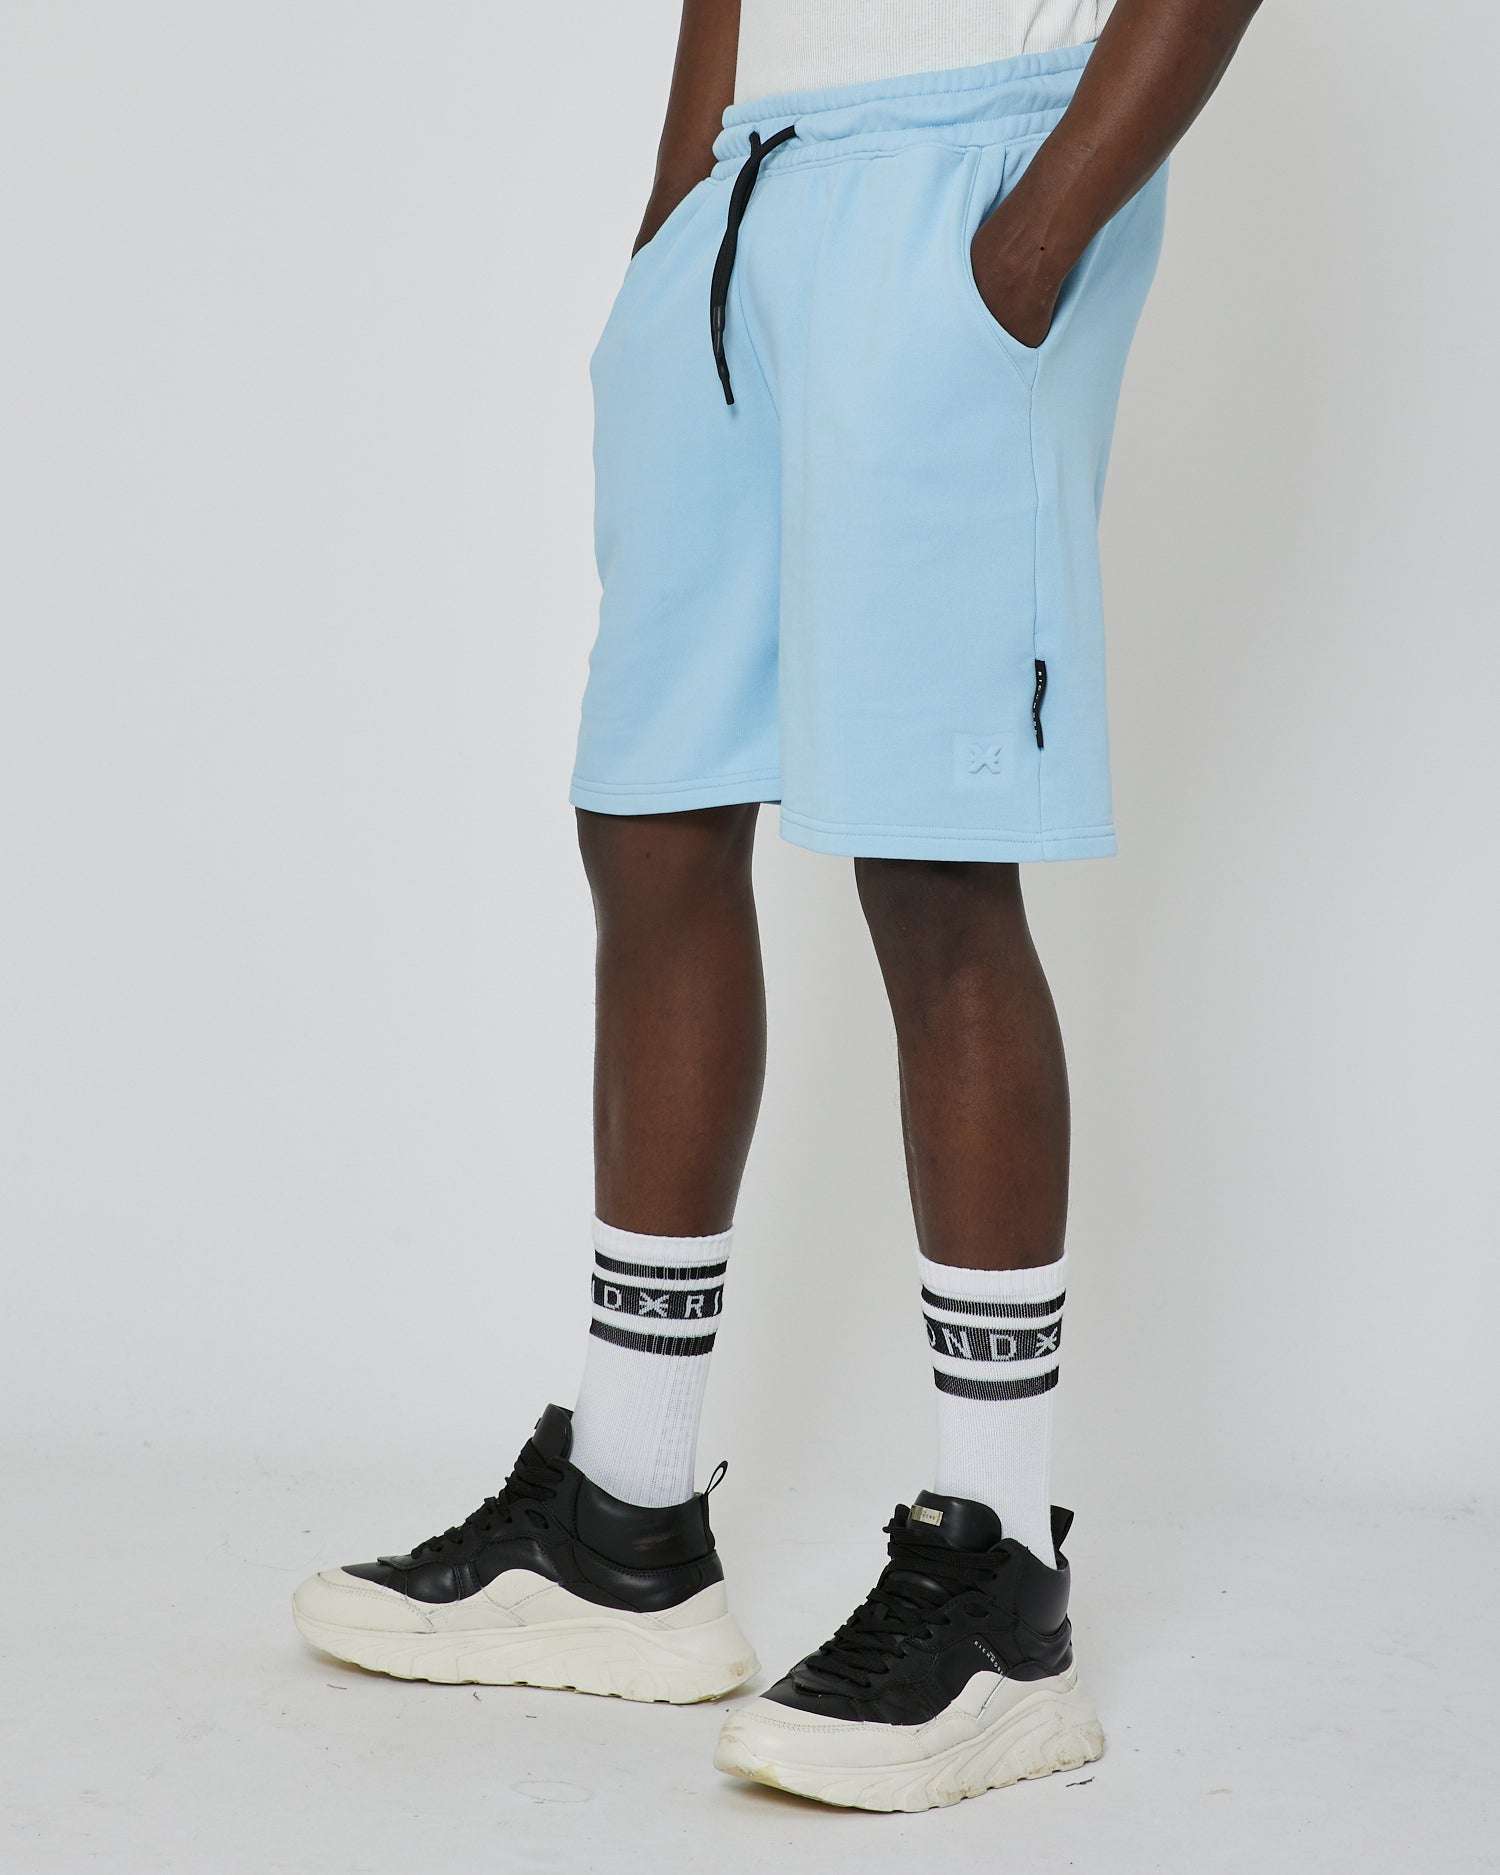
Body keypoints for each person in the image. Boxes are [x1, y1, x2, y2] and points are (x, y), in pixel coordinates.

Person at [293, 0, 1263, 1812]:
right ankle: (622, 1525)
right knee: (649, 822)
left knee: (933, 865)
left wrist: (1031, 246)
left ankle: (1000, 1592)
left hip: (972, 173)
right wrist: (673, 230)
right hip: (746, 202)